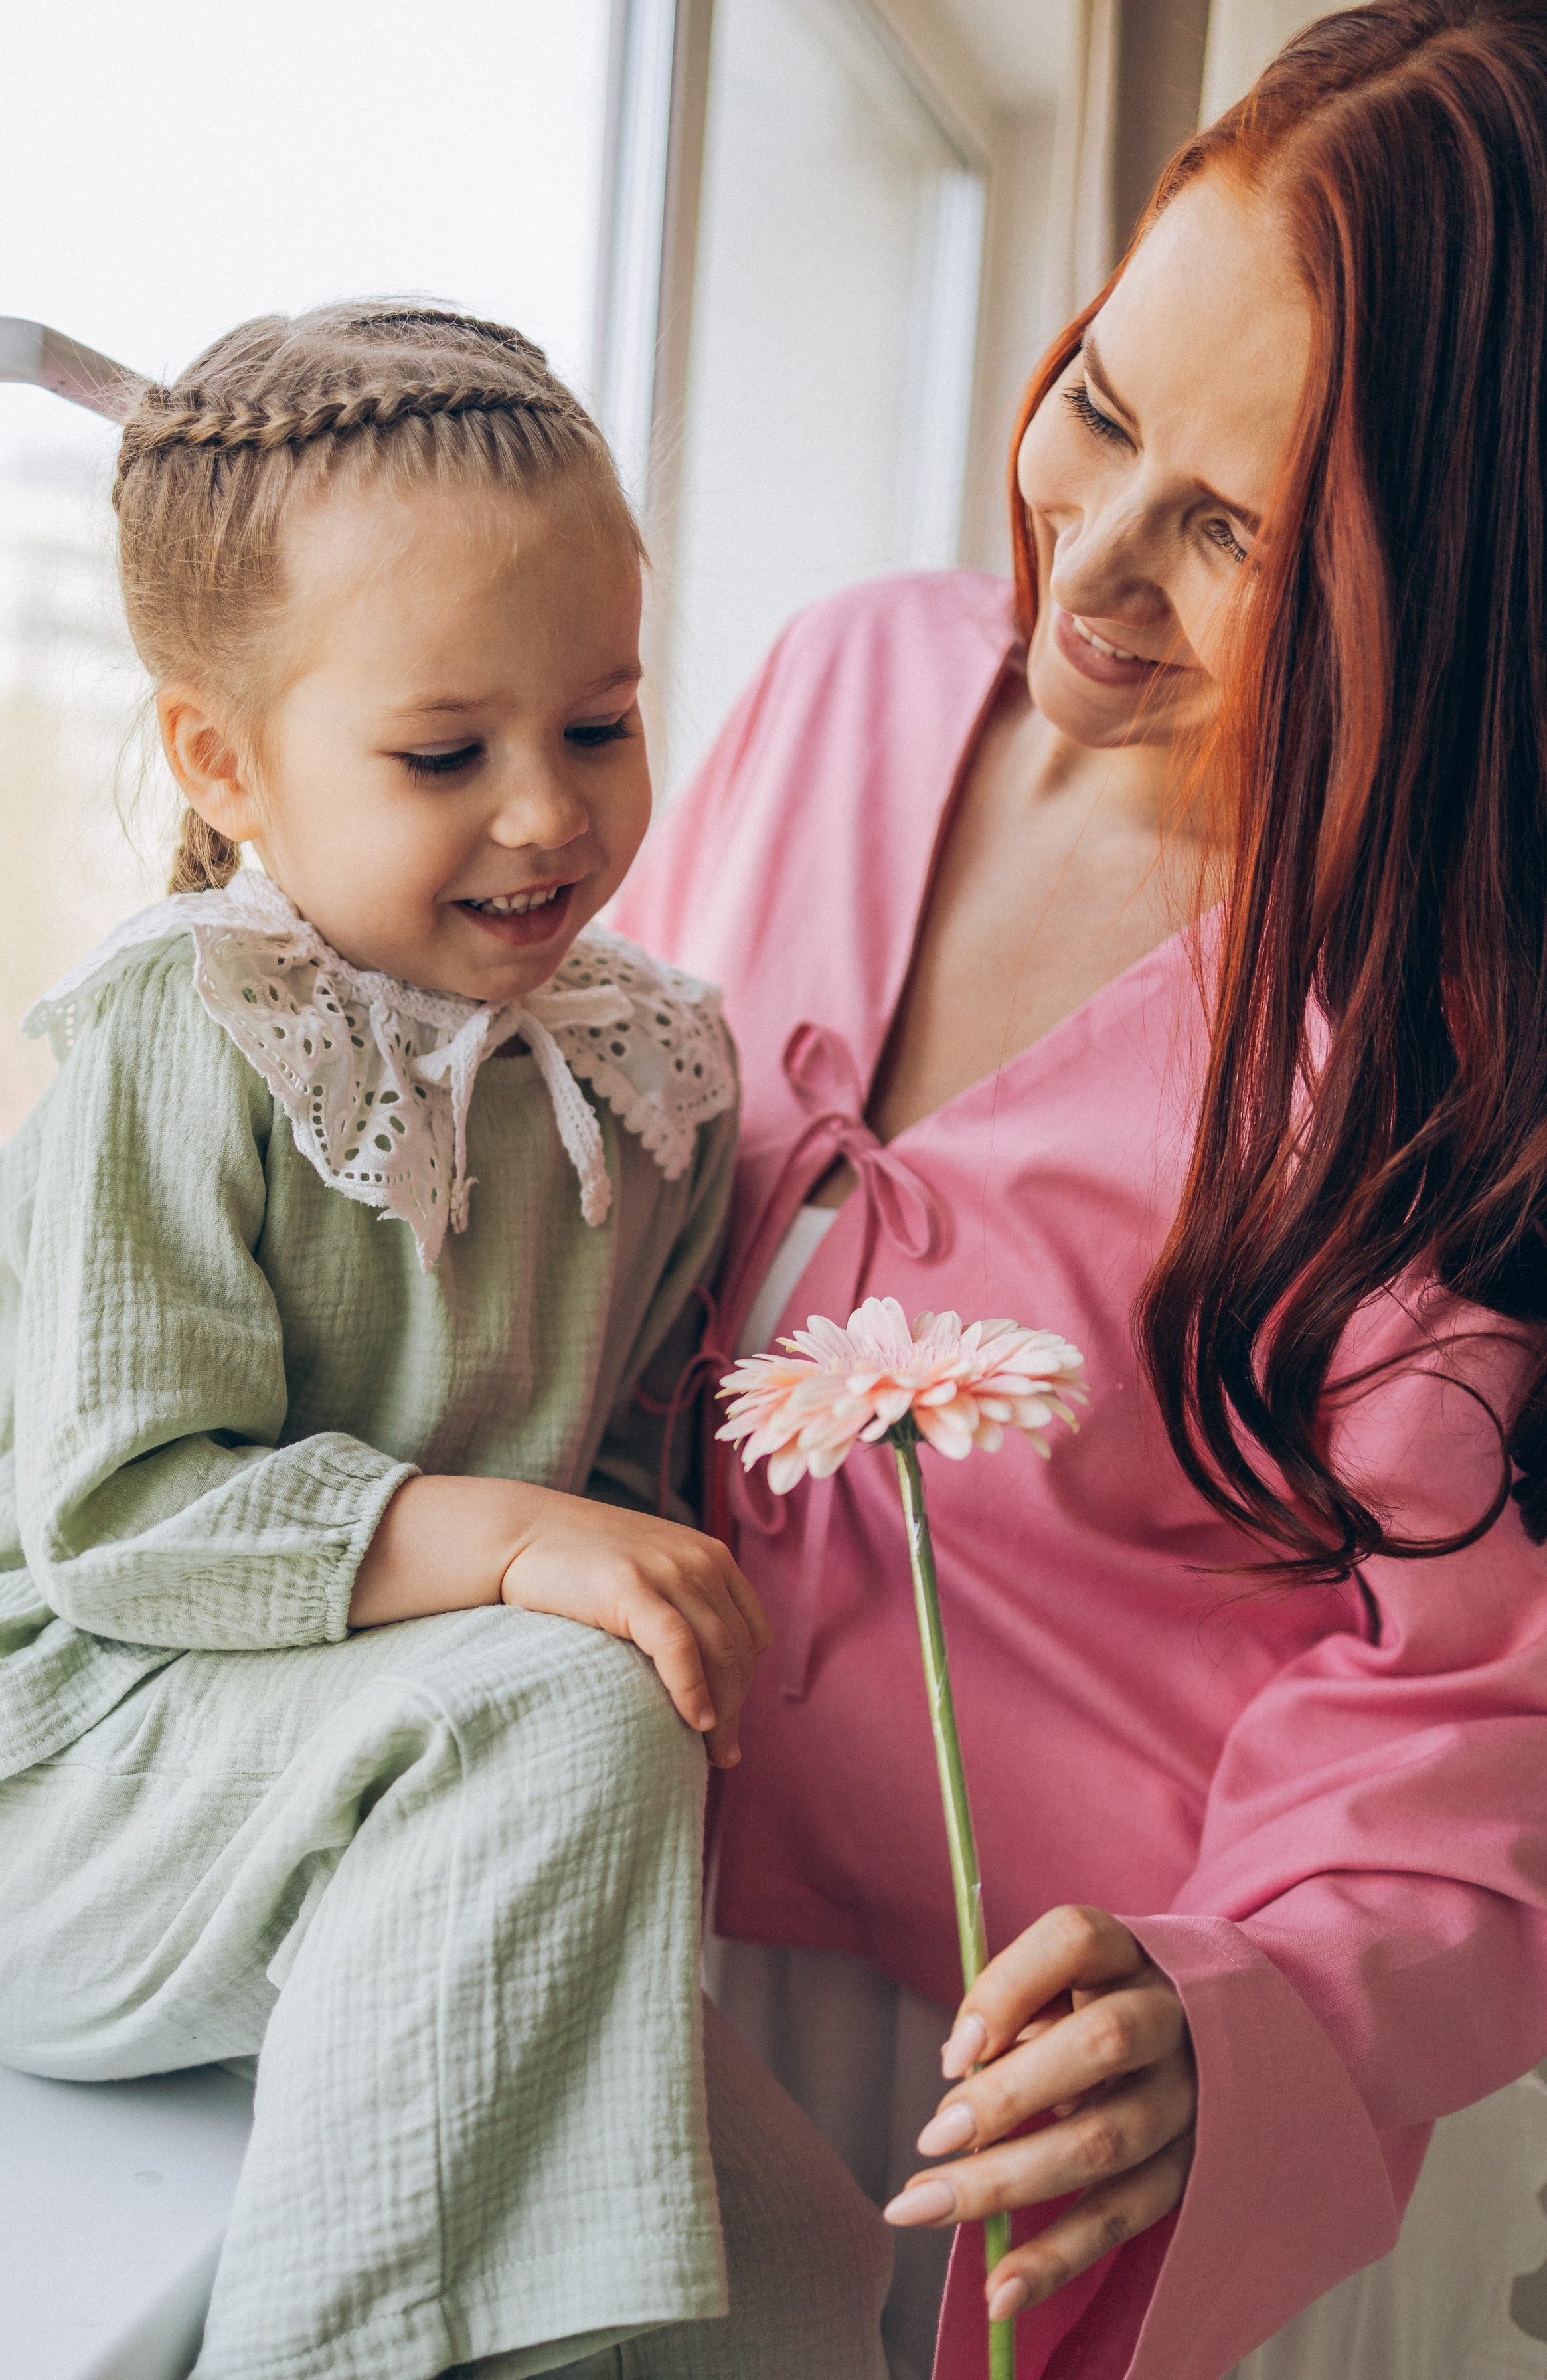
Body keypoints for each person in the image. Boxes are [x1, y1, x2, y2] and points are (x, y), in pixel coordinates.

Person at [614, 5, 1547, 2376]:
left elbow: (1471, 1732)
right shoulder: (842, 680)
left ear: (1458, 582)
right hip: (634, 1973)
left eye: (1237, 526)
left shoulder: (1464, 1063)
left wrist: (1227, 2022)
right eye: (1105, 403)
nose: (1092, 563)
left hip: (1072, 2139)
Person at [0, 303, 892, 2380]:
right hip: (70, 1782)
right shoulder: (190, 1033)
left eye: (599, 726)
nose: (545, 816)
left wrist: (576, 1571)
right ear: (227, 764)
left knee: (799, 2259)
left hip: (383, 1804)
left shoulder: (645, 1073)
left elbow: (611, 1491)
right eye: (446, 756)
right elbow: (128, 1518)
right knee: (579, 1697)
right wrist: (508, 1549)